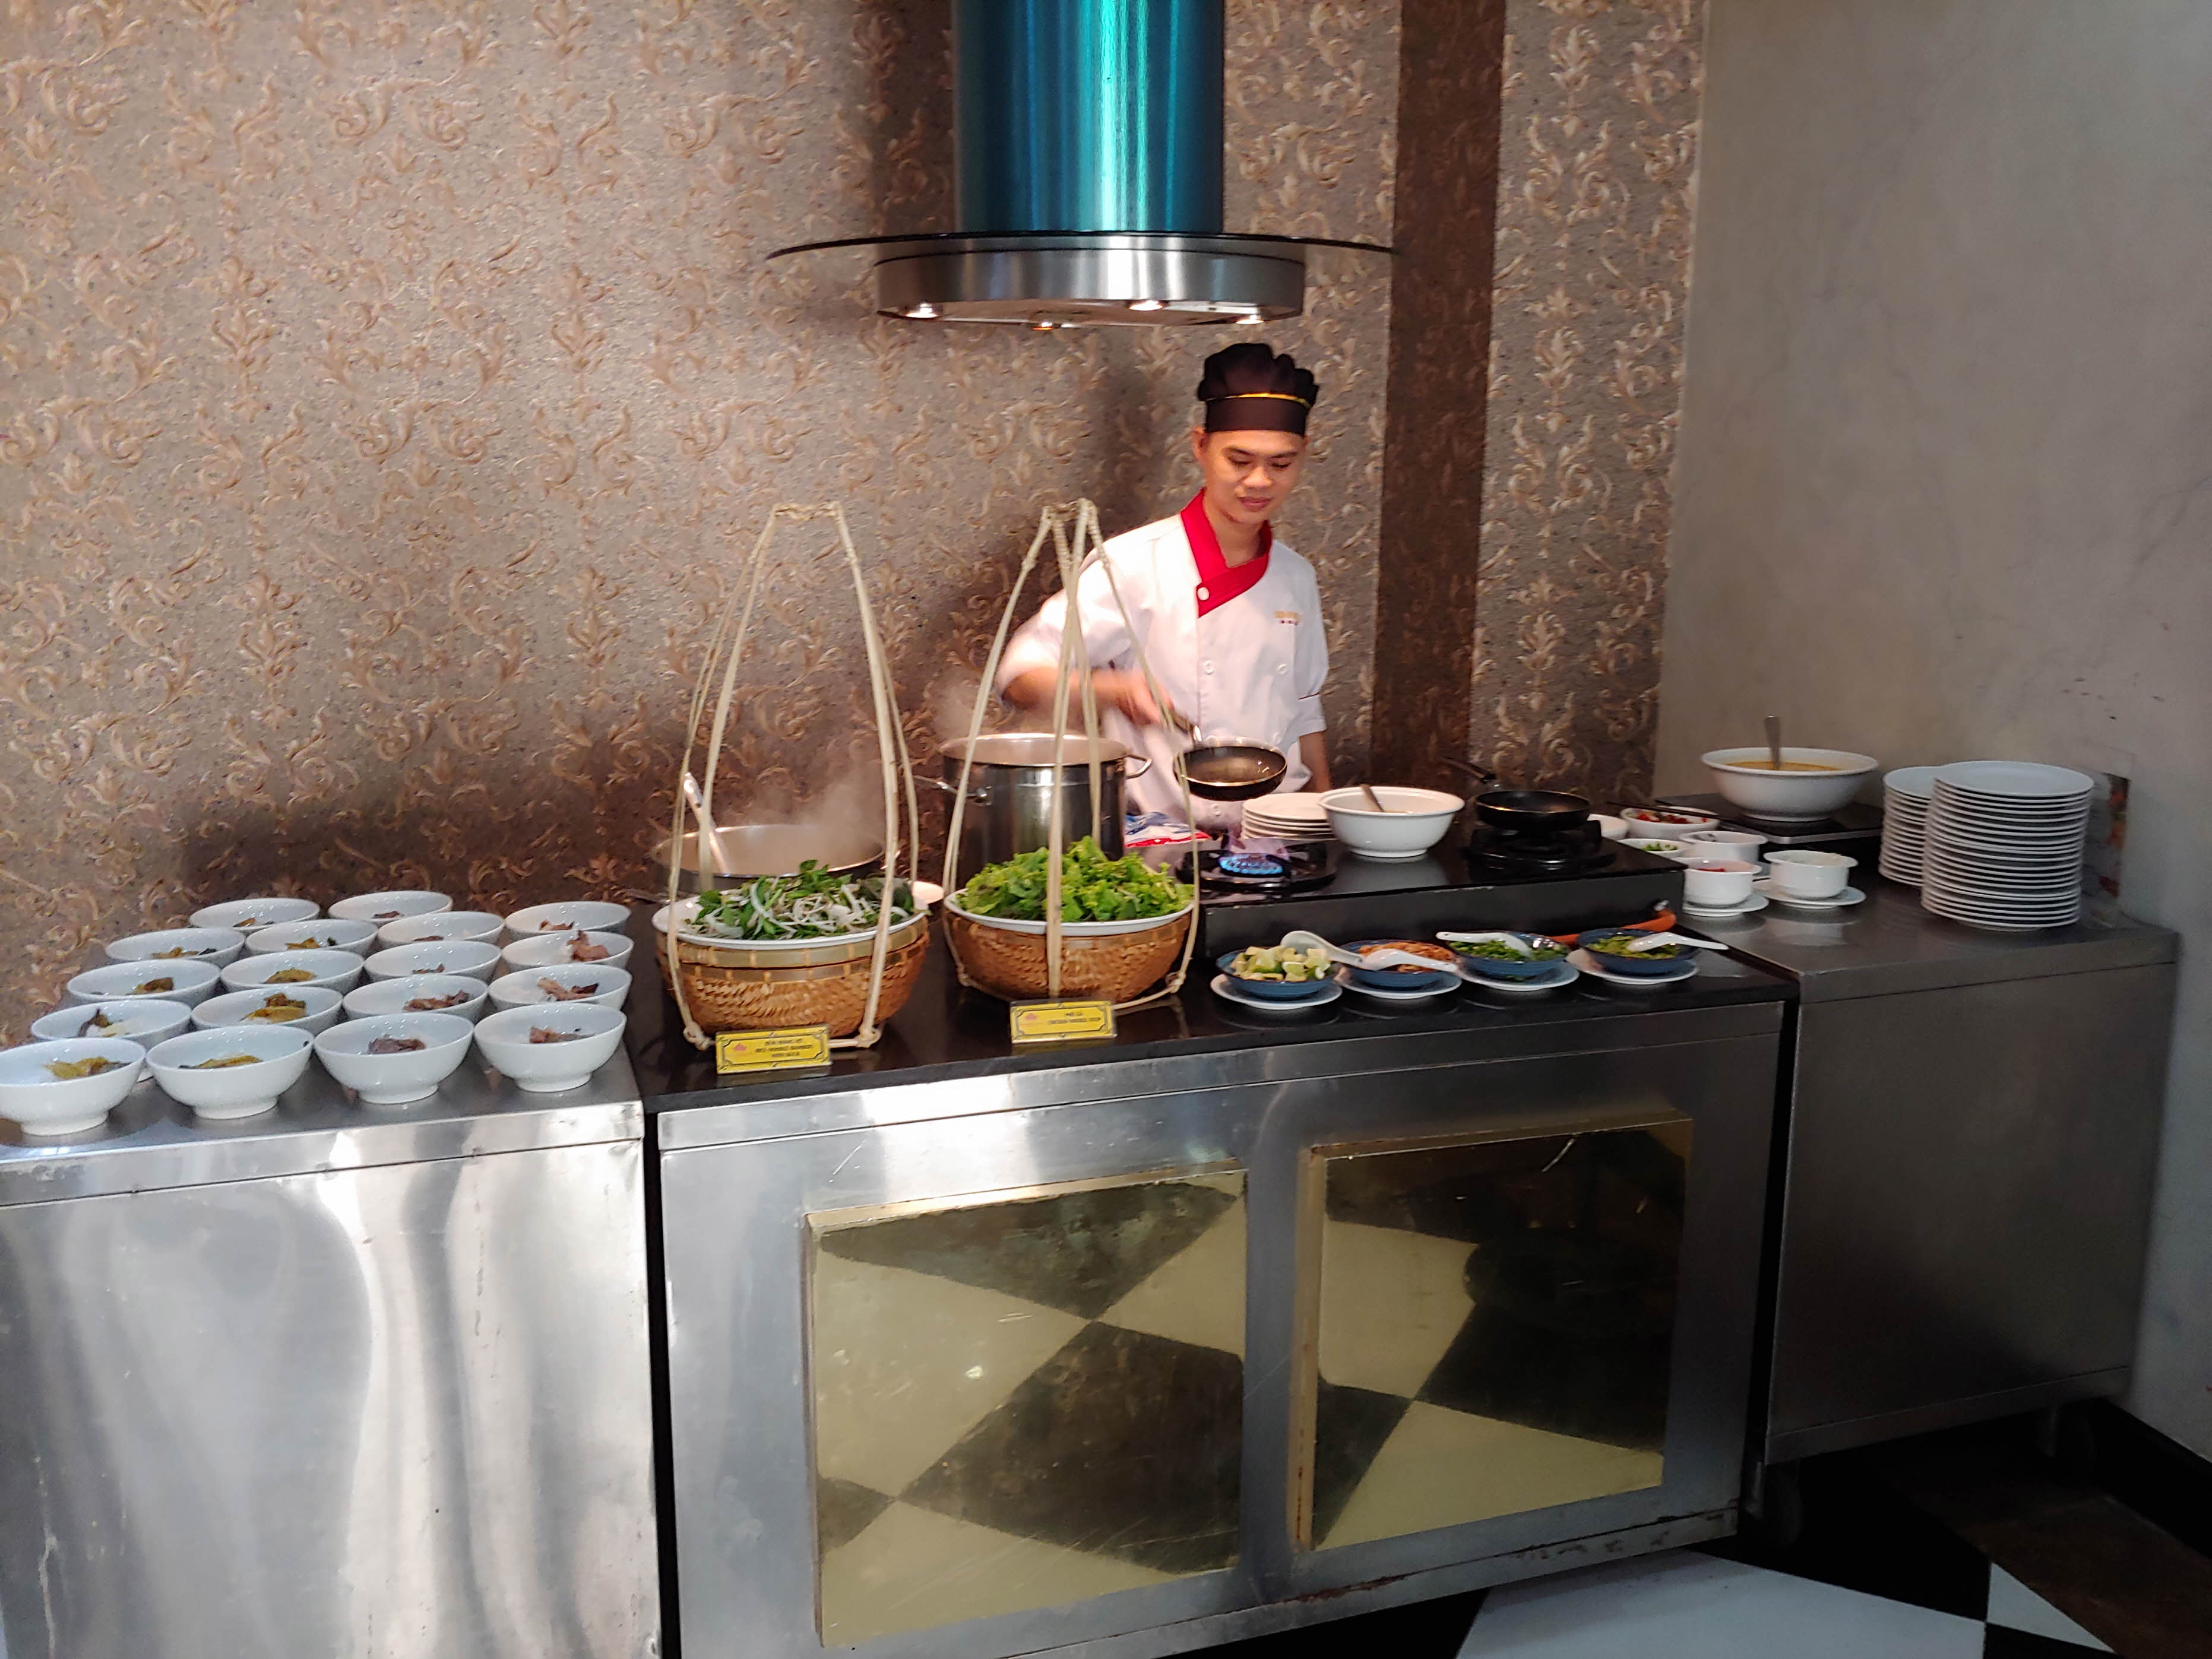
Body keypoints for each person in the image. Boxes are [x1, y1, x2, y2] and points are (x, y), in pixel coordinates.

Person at [999, 341, 1333, 819]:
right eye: (1239, 461)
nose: (1260, 481)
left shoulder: (1295, 575)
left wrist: (1326, 817)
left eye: (1281, 464)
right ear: (1200, 446)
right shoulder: (1133, 563)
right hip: (1163, 839)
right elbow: (1019, 678)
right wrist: (1113, 689)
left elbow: (1304, 712)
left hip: (1277, 836)